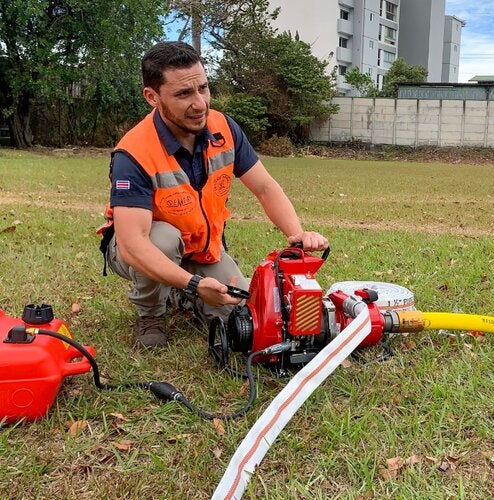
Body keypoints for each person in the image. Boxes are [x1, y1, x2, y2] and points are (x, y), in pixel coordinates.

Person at [98, 41, 328, 348]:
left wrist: (297, 235)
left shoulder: (224, 128)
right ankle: (150, 314)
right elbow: (132, 245)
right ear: (152, 97)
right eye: (184, 94)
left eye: (203, 88)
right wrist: (194, 284)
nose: (200, 104)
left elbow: (265, 187)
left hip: (201, 248)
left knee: (241, 312)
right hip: (145, 246)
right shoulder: (134, 153)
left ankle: (181, 293)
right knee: (163, 239)